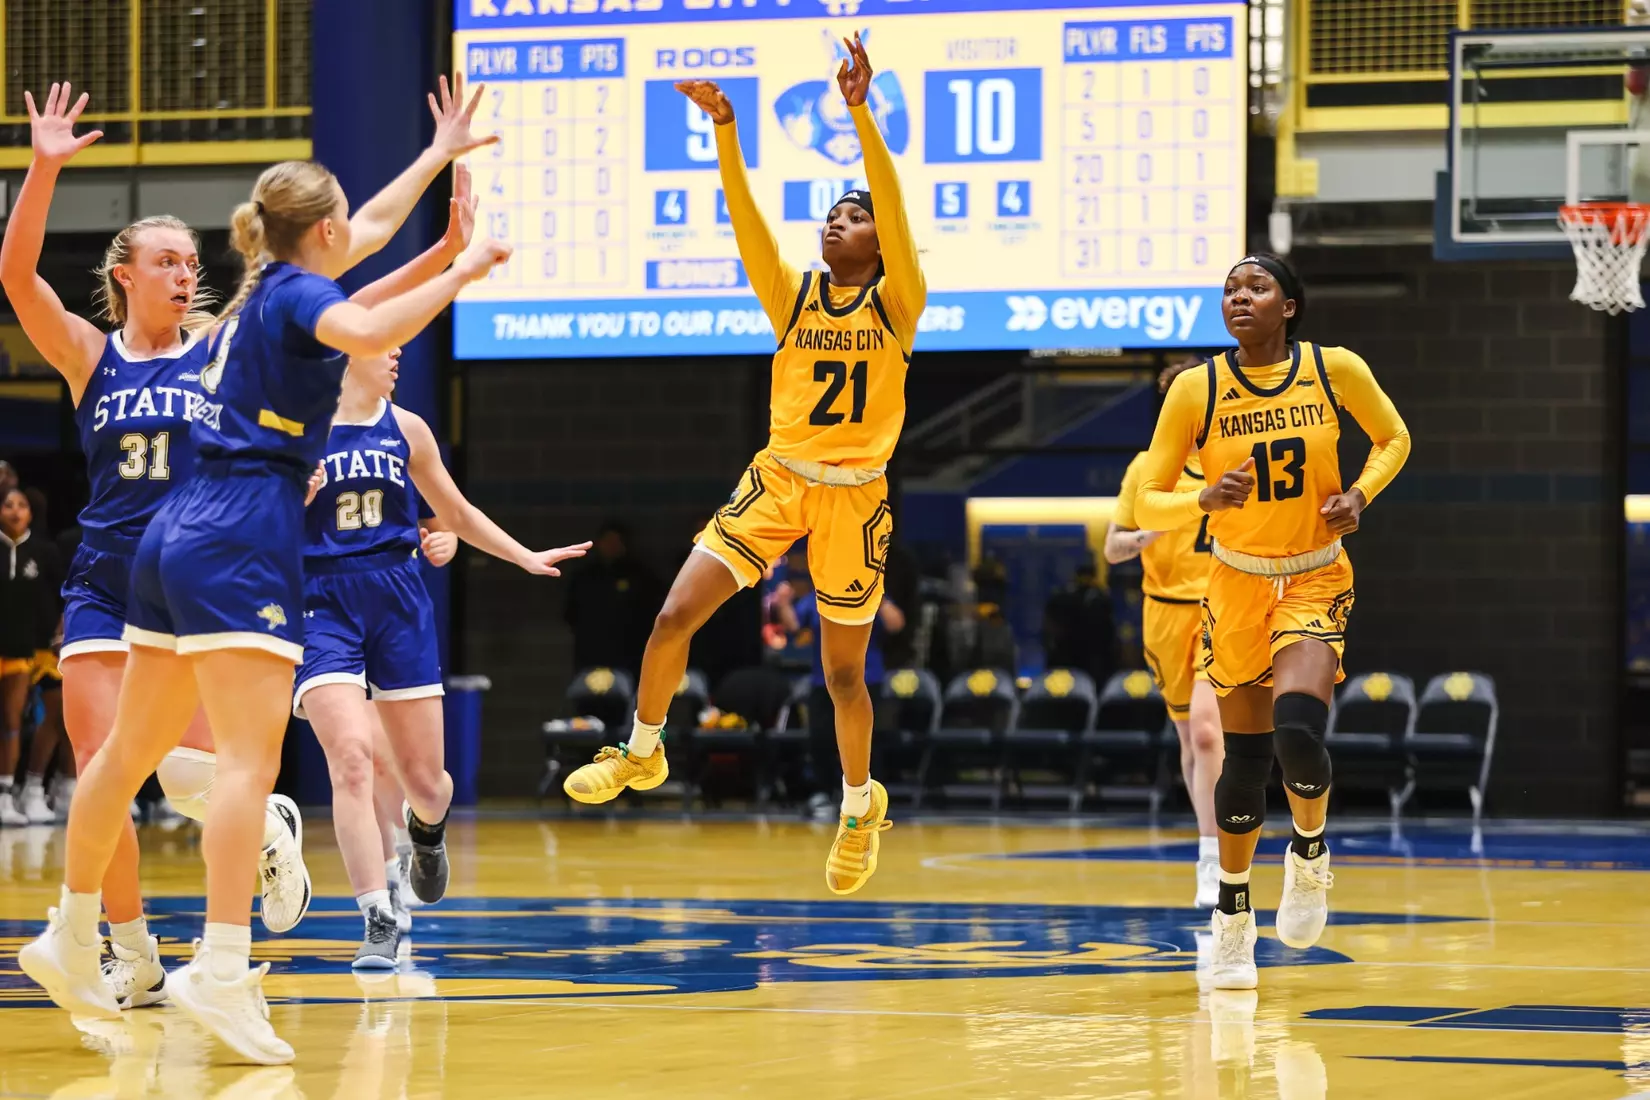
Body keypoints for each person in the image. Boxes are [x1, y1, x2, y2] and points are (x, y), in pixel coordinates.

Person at [20, 74, 509, 1065]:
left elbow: (367, 257)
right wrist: (463, 267)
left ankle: (74, 932)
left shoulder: (253, 307)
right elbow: (371, 322)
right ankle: (223, 962)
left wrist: (438, 185)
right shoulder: (283, 298)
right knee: (245, 762)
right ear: (317, 231)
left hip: (169, 539)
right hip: (240, 531)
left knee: (124, 756)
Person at [563, 35, 923, 896]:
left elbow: (897, 207)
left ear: (878, 241)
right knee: (671, 617)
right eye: (833, 213)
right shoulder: (793, 295)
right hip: (780, 478)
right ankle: (641, 752)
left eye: (855, 214)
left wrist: (861, 112)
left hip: (854, 500)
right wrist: (725, 131)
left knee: (841, 674)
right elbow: (746, 221)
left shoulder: (899, 298)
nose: (839, 220)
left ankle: (858, 804)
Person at [0, 82, 314, 1008]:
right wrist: (44, 166)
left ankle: (264, 834)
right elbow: (17, 278)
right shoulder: (90, 357)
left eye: (190, 261)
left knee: (201, 781)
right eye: (165, 261)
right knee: (107, 770)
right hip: (105, 578)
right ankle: (132, 955)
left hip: (199, 581)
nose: (185, 273)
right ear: (125, 276)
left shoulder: (216, 345)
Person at [1133, 253, 1410, 990]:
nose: (1239, 297)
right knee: (1245, 763)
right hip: (1235, 584)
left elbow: (1395, 438)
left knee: (1297, 730)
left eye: (1256, 287)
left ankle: (1310, 854)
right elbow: (1146, 500)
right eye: (1230, 289)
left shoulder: (1334, 369)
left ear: (1289, 305)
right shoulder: (1197, 388)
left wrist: (1360, 494)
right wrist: (1202, 502)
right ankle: (1231, 918)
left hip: (1315, 571)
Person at [297, 327, 587, 969]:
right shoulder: (298, 427)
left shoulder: (409, 429)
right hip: (321, 601)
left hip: (397, 599)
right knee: (349, 759)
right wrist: (293, 496)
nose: (398, 354)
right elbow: (253, 518)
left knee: (426, 784)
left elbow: (451, 512)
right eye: (386, 342)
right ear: (347, 348)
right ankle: (376, 915)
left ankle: (426, 831)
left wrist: (523, 556)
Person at [1107, 359, 1223, 908]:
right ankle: (1209, 840)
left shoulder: (1233, 460)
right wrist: (1145, 536)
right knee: (1189, 739)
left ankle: (1213, 857)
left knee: (1206, 734)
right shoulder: (1148, 469)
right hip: (1164, 613)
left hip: (1222, 609)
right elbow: (1112, 548)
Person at [772, 557, 904, 821]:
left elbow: (896, 623)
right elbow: (794, 626)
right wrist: (783, 603)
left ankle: (868, 797)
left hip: (866, 680)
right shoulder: (819, 597)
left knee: (865, 740)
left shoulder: (867, 593)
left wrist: (879, 594)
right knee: (821, 738)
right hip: (824, 682)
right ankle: (825, 792)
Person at [0, 487, 61, 825]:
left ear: (31, 514)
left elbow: (61, 596)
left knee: (12, 723)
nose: (15, 511)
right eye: (8, 505)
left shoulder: (44, 551)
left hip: (24, 650)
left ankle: (8, 794)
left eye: (21, 505)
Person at [563, 521, 662, 676]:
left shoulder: (639, 576)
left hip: (630, 653)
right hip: (591, 652)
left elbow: (652, 612)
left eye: (616, 541)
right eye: (607, 541)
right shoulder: (585, 577)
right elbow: (570, 614)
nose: (611, 546)